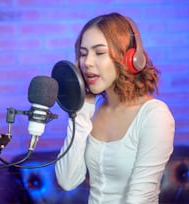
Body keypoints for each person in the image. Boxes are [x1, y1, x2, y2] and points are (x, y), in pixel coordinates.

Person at [55, 12, 175, 204]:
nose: (87, 63)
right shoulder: (90, 112)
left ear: (129, 58)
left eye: (99, 52)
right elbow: (67, 180)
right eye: (83, 54)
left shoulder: (155, 115)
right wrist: (80, 112)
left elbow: (140, 198)